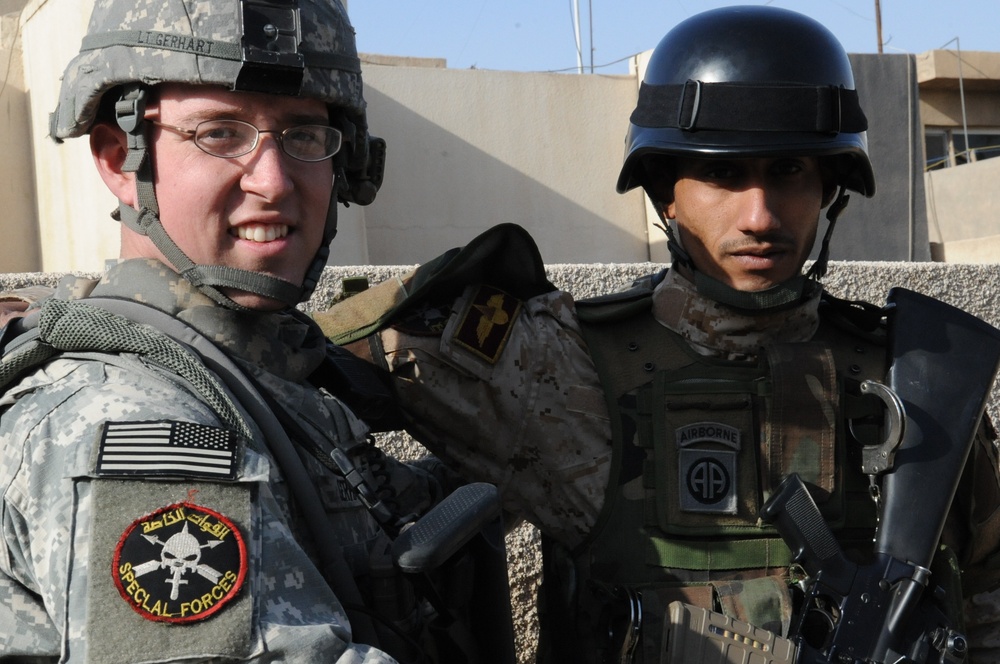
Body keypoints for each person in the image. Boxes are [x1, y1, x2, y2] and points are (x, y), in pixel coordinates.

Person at [317, 6, 1000, 663]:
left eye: (789, 170)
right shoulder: (555, 362)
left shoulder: (914, 382)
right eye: (722, 174)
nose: (760, 215)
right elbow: (288, 363)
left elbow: (989, 590)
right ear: (664, 192)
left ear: (829, 188)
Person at [0, 1, 464, 662]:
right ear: (118, 158)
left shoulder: (259, 371)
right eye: (220, 133)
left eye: (304, 135)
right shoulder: (134, 426)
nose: (273, 181)